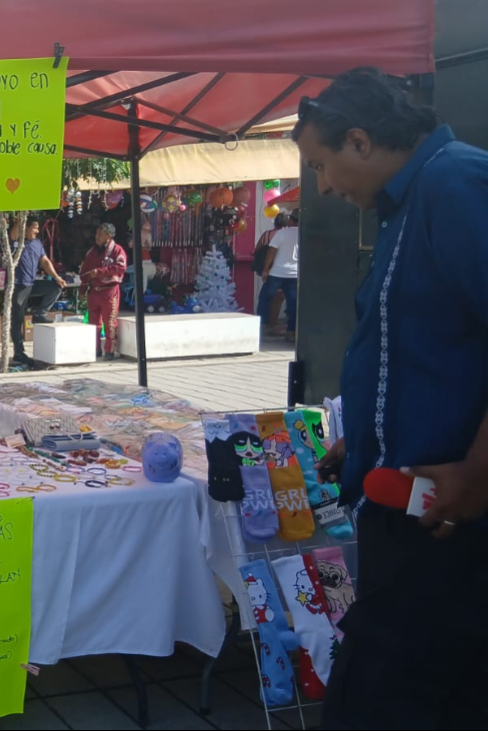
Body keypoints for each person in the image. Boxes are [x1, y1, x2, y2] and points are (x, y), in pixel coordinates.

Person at [296, 68, 488, 728]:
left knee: (377, 699)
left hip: (446, 518)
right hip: (404, 504)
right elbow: (426, 348)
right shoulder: (407, 203)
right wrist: (365, 437)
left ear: (358, 141)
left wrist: (477, 470)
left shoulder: (455, 183)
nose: (323, 185)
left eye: (320, 166)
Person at [7, 216, 68, 367]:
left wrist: (56, 277)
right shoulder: (17, 242)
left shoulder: (37, 243)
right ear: (26, 228)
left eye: (37, 228)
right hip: (18, 286)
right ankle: (19, 352)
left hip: (32, 284)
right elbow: (13, 234)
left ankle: (40, 313)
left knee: (55, 287)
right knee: (17, 320)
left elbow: (45, 261)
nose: (37, 231)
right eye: (34, 228)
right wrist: (19, 220)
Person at [79, 222, 128, 360]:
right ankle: (95, 349)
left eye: (100, 234)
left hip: (109, 292)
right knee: (93, 324)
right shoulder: (91, 252)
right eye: (96, 234)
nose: (97, 237)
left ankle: (109, 351)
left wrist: (100, 272)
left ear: (109, 236)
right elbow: (84, 273)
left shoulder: (117, 250)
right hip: (94, 292)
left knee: (110, 323)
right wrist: (82, 290)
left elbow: (121, 267)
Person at [258, 209, 299, 339]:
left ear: (291, 220)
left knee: (265, 298)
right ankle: (291, 331)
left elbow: (271, 251)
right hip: (294, 274)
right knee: (293, 304)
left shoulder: (282, 233)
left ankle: (262, 325)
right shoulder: (304, 234)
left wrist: (265, 269)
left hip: (277, 272)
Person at [253, 212, 292, 329]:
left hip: (269, 270)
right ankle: (273, 323)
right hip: (283, 270)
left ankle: (263, 323)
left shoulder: (267, 235)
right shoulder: (287, 235)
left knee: (265, 297)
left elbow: (257, 249)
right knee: (281, 297)